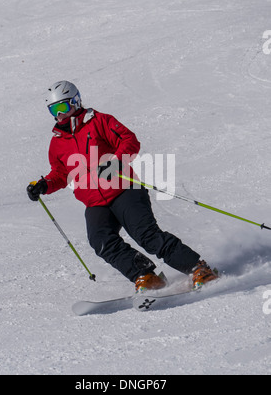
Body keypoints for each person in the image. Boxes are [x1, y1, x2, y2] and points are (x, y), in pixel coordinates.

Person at [27, 81, 218, 292]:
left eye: (63, 107)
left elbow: (129, 141)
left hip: (124, 190)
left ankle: (198, 268)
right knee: (101, 242)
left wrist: (115, 162)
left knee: (147, 235)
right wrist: (44, 185)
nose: (60, 114)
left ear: (76, 101)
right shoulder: (57, 142)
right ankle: (145, 275)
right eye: (54, 109)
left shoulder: (99, 121)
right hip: (95, 202)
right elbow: (61, 173)